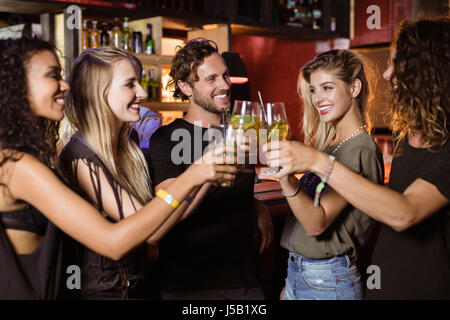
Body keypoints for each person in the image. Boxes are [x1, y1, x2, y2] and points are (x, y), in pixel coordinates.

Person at [0, 37, 237, 299]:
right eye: (53, 75)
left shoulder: (127, 144)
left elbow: (148, 226)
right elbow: (117, 241)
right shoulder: (25, 163)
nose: (65, 85)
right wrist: (195, 175)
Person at [266, 18, 450, 299]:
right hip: (380, 286)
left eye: (397, 64)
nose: (387, 74)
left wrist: (314, 162)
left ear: (430, 71)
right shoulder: (406, 139)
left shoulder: (439, 151)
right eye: (314, 90)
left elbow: (404, 213)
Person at [147, 38, 273, 300]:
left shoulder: (240, 131)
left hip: (246, 281)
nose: (225, 85)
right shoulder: (166, 139)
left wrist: (258, 206)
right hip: (190, 285)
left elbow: (237, 191)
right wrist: (212, 171)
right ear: (185, 87)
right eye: (211, 79)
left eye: (225, 75)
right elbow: (170, 213)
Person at [273, 49, 384, 300]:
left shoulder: (360, 149)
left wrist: (285, 178)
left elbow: (315, 223)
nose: (317, 98)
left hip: (326, 278)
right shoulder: (330, 144)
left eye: (327, 88)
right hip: (301, 273)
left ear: (354, 88)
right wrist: (293, 283)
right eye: (313, 90)